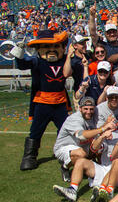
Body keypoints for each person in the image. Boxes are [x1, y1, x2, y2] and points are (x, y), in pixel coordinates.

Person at [11, 30, 72, 171]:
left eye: (56, 46)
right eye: (46, 46)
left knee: (65, 130)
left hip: (60, 103)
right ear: (38, 49)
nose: (51, 50)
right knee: (36, 131)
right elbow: (22, 64)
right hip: (42, 102)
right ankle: (29, 157)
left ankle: (63, 154)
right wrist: (19, 51)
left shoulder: (64, 61)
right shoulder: (37, 61)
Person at [52, 112, 118, 202]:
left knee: (117, 163)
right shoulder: (110, 135)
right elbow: (94, 149)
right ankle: (73, 190)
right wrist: (102, 137)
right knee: (81, 161)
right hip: (103, 168)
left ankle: (104, 191)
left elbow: (115, 157)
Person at [53, 96, 116, 182]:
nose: (88, 112)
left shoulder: (92, 116)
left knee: (101, 146)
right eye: (85, 109)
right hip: (65, 147)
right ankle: (65, 167)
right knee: (81, 154)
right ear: (80, 108)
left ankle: (99, 169)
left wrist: (106, 124)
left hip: (81, 145)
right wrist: (103, 129)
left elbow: (94, 132)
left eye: (91, 109)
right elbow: (81, 135)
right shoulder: (74, 118)